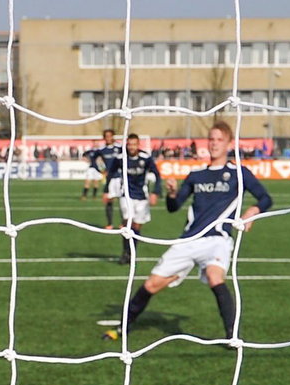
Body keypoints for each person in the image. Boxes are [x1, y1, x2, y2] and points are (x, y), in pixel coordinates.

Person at [102, 121, 272, 344]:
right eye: (211, 139)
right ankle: (123, 328)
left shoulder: (238, 173)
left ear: (229, 144)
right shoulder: (196, 175)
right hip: (189, 240)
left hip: (217, 240)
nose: (214, 144)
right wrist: (172, 194)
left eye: (219, 140)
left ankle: (232, 336)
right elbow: (174, 207)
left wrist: (252, 211)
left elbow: (266, 198)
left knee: (214, 277)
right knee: (152, 284)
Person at [113, 134, 162, 265]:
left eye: (134, 144)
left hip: (142, 196)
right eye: (129, 144)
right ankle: (125, 253)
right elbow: (111, 172)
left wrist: (156, 192)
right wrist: (107, 190)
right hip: (126, 195)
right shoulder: (120, 158)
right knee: (126, 224)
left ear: (138, 144)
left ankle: (132, 251)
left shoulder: (145, 158)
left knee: (136, 226)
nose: (132, 147)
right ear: (126, 145)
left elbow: (157, 174)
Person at [94, 129, 122, 229]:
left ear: (113, 136)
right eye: (106, 136)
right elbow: (93, 159)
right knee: (108, 200)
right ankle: (109, 223)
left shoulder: (120, 148)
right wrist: (100, 170)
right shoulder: (102, 149)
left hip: (120, 178)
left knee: (122, 200)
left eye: (110, 136)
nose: (108, 138)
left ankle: (124, 223)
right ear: (104, 138)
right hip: (110, 179)